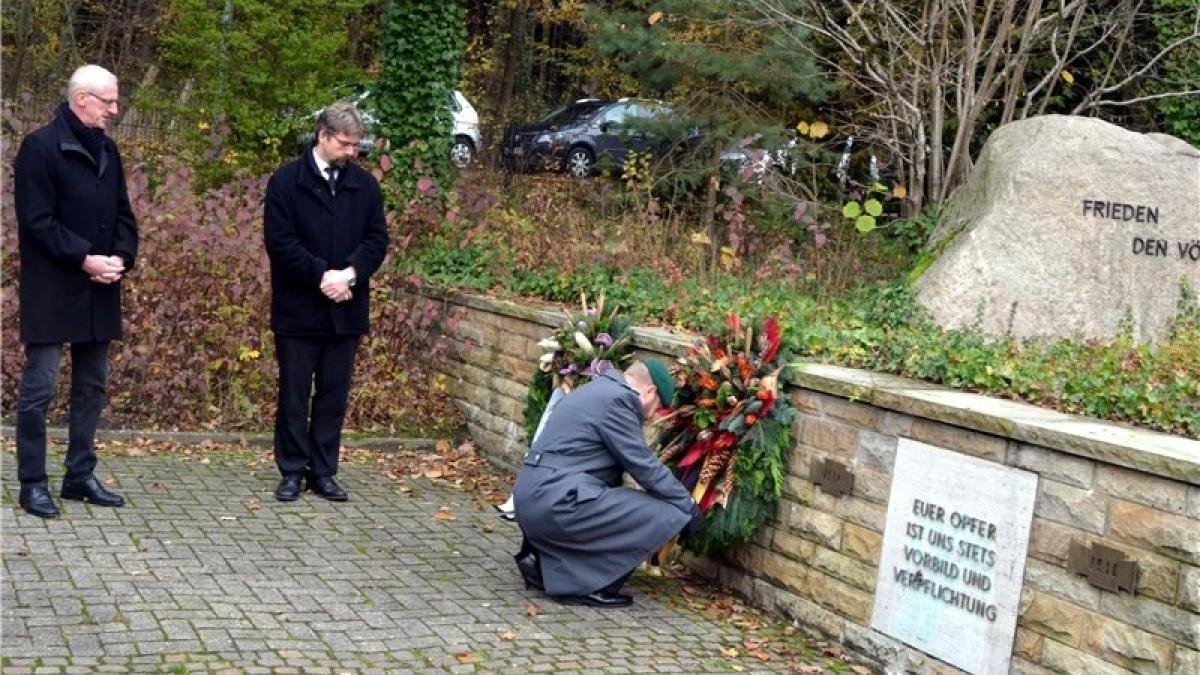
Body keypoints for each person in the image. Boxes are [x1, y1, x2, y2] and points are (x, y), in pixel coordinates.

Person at [12, 64, 138, 518]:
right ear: (81, 99)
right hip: (54, 287)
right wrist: (85, 257)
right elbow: (37, 221)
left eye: (115, 102)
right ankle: (32, 482)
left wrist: (121, 258)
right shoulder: (40, 149)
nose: (115, 110)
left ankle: (79, 475)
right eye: (109, 102)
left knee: (92, 386)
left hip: (100, 286)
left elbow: (124, 215)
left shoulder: (108, 150)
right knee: (40, 388)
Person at [263, 101, 388, 502]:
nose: (352, 152)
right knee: (294, 395)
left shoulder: (365, 186)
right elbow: (280, 244)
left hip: (346, 309)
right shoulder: (285, 182)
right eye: (345, 144)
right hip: (298, 310)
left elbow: (376, 241)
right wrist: (323, 276)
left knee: (334, 395)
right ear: (323, 136)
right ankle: (292, 470)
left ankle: (324, 471)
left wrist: (349, 274)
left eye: (356, 145)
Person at [513, 359, 703, 607]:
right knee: (666, 512)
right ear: (650, 392)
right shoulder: (620, 400)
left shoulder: (598, 389)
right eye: (658, 407)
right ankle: (585, 586)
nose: (655, 415)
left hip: (537, 498)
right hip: (555, 502)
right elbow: (642, 464)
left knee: (611, 498)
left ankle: (545, 564)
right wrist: (687, 505)